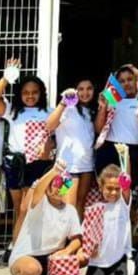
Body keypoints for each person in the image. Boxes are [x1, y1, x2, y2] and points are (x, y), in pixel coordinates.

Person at [0, 59, 52, 268]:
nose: (30, 96)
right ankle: (19, 244)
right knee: (19, 208)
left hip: (37, 166)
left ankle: (15, 249)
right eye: (26, 92)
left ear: (41, 93)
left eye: (35, 92)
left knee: (27, 208)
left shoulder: (48, 112)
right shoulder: (12, 110)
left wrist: (48, 149)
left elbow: (53, 136)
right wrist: (8, 76)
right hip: (16, 163)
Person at [9, 161, 83, 275]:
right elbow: (37, 192)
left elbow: (77, 239)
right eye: (55, 184)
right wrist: (54, 171)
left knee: (82, 256)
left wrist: (67, 251)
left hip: (52, 257)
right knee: (31, 269)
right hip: (28, 255)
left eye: (63, 185)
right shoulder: (39, 203)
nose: (58, 189)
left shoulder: (70, 210)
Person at [94, 64, 138, 197]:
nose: (126, 83)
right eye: (122, 81)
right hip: (110, 151)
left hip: (133, 153)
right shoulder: (112, 101)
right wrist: (103, 107)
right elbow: (98, 128)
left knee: (130, 194)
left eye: (130, 79)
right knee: (108, 193)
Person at [82, 164, 133, 275]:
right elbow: (86, 235)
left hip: (117, 259)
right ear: (101, 187)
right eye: (109, 189)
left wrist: (125, 159)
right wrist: (88, 249)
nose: (113, 193)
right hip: (97, 261)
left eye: (117, 189)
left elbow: (127, 187)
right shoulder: (93, 208)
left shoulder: (123, 205)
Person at [46, 79, 97, 217]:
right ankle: (64, 238)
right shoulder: (67, 109)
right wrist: (63, 102)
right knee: (66, 206)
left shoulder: (93, 111)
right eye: (81, 89)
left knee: (80, 204)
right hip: (68, 168)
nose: (85, 92)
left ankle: (75, 238)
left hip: (87, 166)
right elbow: (49, 126)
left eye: (89, 88)